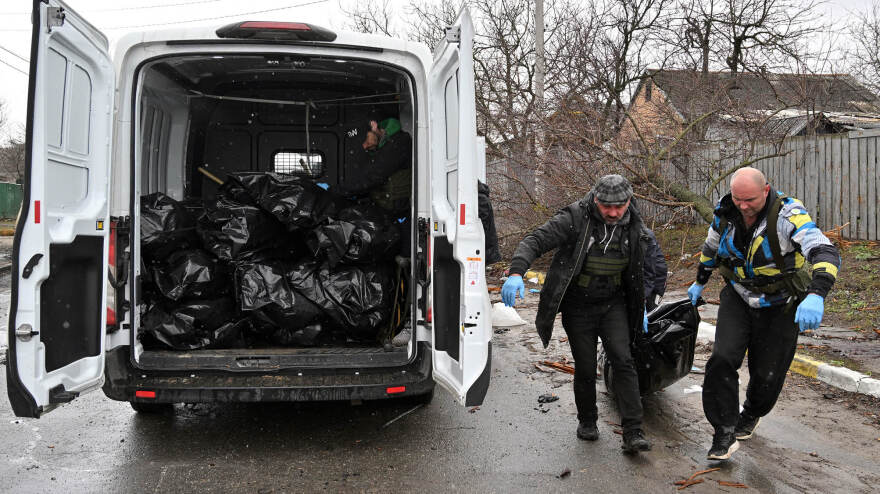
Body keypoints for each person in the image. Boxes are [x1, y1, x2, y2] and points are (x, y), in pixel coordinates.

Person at [687, 167, 839, 461]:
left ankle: (752, 413)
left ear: (766, 191)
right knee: (721, 359)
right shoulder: (725, 211)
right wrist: (699, 281)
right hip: (738, 295)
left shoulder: (789, 216)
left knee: (767, 373)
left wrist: (816, 294)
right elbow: (711, 247)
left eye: (750, 200)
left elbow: (824, 251)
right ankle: (723, 431)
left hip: (779, 302)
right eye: (738, 198)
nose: (743, 206)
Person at [502, 174, 653, 454]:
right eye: (606, 206)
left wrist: (645, 302)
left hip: (613, 303)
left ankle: (633, 431)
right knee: (584, 366)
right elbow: (535, 240)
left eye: (619, 206)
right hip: (579, 304)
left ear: (628, 202)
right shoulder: (574, 217)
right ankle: (587, 420)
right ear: (595, 199)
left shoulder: (634, 224)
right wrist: (516, 272)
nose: (612, 212)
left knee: (623, 360)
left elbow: (650, 263)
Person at [642, 228, 667, 311]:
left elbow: (649, 270)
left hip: (656, 281)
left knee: (651, 313)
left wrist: (644, 296)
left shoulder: (644, 235)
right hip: (649, 277)